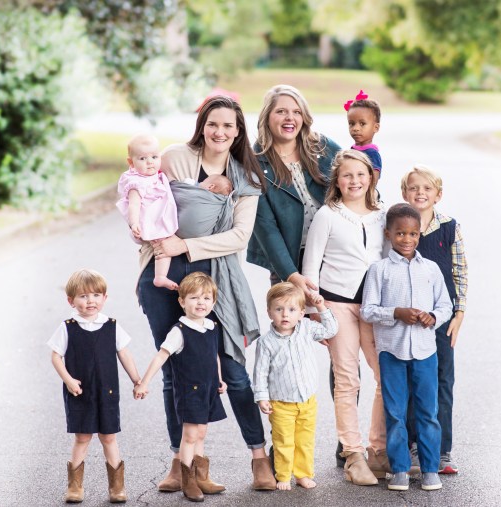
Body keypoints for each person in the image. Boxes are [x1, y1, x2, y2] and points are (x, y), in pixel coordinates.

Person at [135, 95, 277, 492]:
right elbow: (146, 199)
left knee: (232, 370)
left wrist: (188, 246)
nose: (220, 132)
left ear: (238, 131)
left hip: (216, 276)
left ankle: (258, 456)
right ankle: (183, 463)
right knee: (174, 371)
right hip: (163, 271)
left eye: (228, 126)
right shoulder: (176, 158)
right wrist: (143, 232)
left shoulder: (246, 174)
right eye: (213, 124)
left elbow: (239, 236)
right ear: (203, 125)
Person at [245, 84, 347, 466]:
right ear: (267, 118)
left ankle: (346, 441)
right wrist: (290, 275)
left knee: (340, 351)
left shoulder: (323, 149)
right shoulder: (255, 162)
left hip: (332, 264)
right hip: (288, 266)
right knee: (287, 355)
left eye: (295, 111)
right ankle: (280, 451)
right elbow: (265, 225)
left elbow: (358, 179)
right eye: (280, 112)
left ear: (304, 116)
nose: (289, 118)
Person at [300, 149, 388, 485]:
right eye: (347, 175)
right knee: (347, 379)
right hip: (336, 305)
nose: (354, 181)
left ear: (371, 178)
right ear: (337, 180)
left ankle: (377, 448)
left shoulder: (381, 215)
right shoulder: (328, 214)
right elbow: (311, 265)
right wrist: (313, 312)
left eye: (360, 175)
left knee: (385, 376)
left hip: (374, 307)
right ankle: (353, 454)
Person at [360, 204, 453, 492]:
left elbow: (445, 305)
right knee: (396, 411)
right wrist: (395, 313)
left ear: (419, 234)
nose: (407, 239)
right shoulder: (379, 270)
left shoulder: (431, 269)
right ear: (388, 234)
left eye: (412, 233)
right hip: (392, 352)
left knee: (428, 411)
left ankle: (429, 469)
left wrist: (433, 317)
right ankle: (399, 469)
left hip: (425, 351)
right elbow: (368, 310)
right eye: (400, 233)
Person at [47, 269, 141, 503]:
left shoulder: (112, 325)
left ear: (104, 298)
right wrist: (68, 380)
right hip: (80, 392)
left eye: (96, 295)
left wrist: (136, 379)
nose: (91, 301)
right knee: (82, 437)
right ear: (71, 300)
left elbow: (124, 354)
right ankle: (75, 487)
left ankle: (117, 487)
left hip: (107, 392)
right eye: (83, 296)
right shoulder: (67, 327)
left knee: (109, 437)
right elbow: (56, 357)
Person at [136, 272, 228, 502]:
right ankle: (188, 481)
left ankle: (201, 476)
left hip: (208, 390)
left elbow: (214, 356)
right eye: (195, 298)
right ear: (182, 301)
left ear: (213, 302)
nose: (201, 303)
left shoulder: (211, 326)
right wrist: (144, 382)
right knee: (189, 435)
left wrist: (219, 379)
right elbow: (161, 356)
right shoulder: (180, 331)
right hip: (190, 391)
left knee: (202, 433)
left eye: (206, 298)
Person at [401, 165, 468, 475]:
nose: (420, 193)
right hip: (409, 319)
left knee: (442, 380)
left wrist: (459, 313)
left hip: (442, 319)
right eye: (414, 188)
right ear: (404, 193)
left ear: (438, 195)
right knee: (413, 380)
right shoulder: (400, 227)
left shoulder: (448, 227)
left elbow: (459, 271)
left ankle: (442, 451)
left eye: (427, 189)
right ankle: (415, 447)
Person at [253, 283, 339, 490]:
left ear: (301, 313)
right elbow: (261, 372)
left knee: (305, 441)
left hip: (307, 401)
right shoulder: (266, 342)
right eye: (279, 309)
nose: (285, 315)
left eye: (291, 310)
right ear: (269, 312)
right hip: (281, 403)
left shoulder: (307, 329)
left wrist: (321, 308)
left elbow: (331, 329)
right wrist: (262, 397)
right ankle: (283, 475)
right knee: (283, 441)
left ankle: (302, 474)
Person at [116, 135, 179, 290]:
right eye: (143, 158)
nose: (150, 162)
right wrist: (134, 223)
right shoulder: (136, 182)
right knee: (163, 247)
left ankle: (160, 276)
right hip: (150, 220)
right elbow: (134, 205)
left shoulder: (155, 175)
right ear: (131, 162)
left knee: (164, 245)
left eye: (154, 157)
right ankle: (160, 277)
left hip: (158, 216)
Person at [343, 90, 382, 178]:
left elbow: (373, 181)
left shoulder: (372, 154)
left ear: (376, 127)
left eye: (362, 124)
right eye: (351, 123)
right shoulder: (352, 150)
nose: (355, 128)